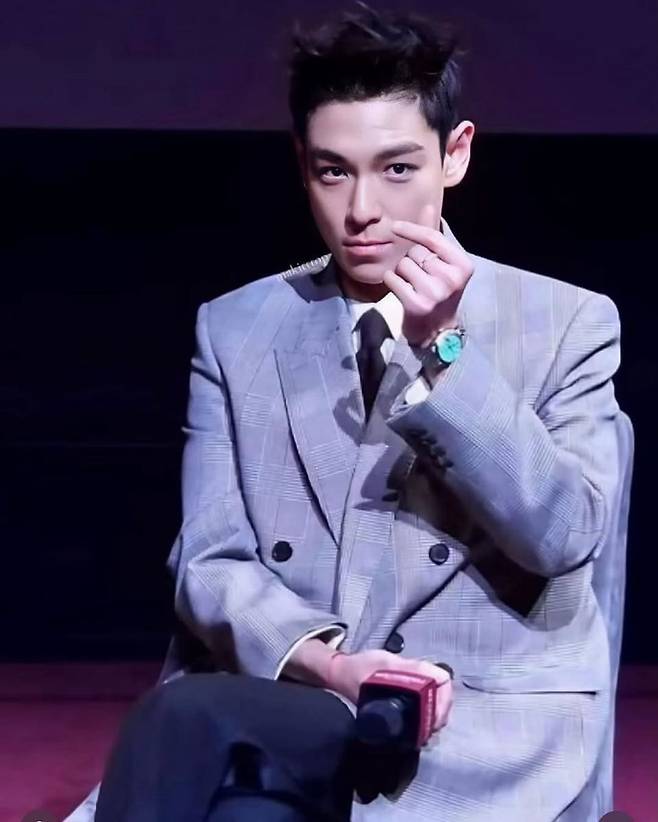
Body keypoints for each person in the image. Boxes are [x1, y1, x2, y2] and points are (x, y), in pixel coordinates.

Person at [66, 4, 629, 821]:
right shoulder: (238, 328)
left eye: (396, 169)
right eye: (334, 172)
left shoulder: (566, 322)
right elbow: (210, 561)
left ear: (455, 155)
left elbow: (563, 535)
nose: (362, 209)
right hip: (294, 693)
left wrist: (444, 354)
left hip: (473, 725)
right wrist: (330, 665)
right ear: (303, 165)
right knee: (199, 738)